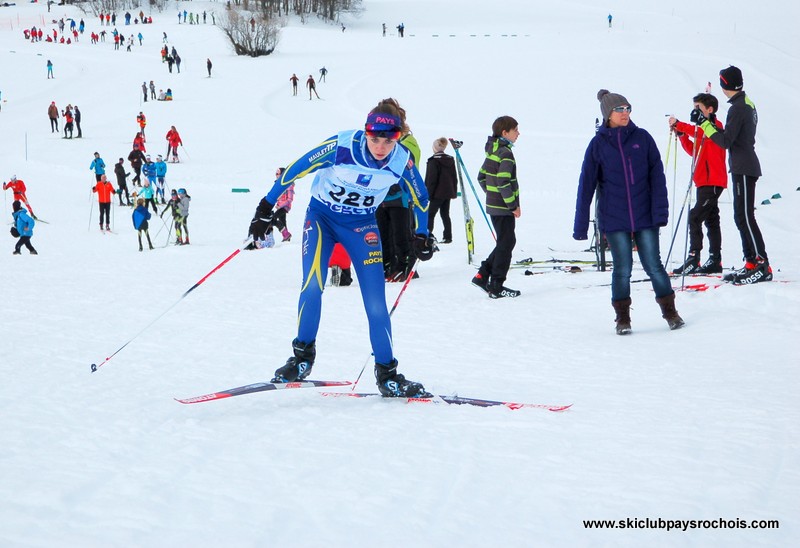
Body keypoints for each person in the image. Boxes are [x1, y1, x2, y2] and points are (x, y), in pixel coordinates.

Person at [246, 98, 435, 397]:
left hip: (361, 227)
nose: (381, 147)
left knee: (375, 303)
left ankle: (387, 374)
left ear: (397, 137)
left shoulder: (402, 159)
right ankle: (301, 358)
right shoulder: (342, 146)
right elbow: (295, 169)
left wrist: (423, 234)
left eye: (388, 140)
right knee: (312, 285)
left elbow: (421, 197)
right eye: (375, 139)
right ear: (366, 133)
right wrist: (266, 207)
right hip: (322, 219)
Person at [574, 89, 684, 335]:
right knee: (622, 269)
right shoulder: (598, 145)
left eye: (627, 108)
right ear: (608, 114)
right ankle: (622, 319)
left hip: (645, 215)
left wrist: (660, 212)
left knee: (654, 265)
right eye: (619, 109)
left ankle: (671, 313)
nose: (625, 113)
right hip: (614, 218)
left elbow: (657, 178)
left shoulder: (642, 138)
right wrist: (581, 226)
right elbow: (586, 186)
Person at [696, 66, 771, 285]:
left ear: (724, 84)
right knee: (740, 216)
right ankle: (751, 261)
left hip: (744, 166)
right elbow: (732, 136)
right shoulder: (744, 103)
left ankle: (761, 263)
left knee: (745, 216)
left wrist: (705, 125)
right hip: (742, 165)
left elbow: (726, 141)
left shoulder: (738, 107)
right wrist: (708, 123)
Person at [668, 93, 727, 275]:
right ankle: (715, 259)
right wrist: (681, 135)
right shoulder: (701, 130)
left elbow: (700, 131)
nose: (696, 113)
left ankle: (694, 257)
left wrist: (679, 125)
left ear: (709, 110)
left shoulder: (715, 128)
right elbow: (694, 150)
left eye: (698, 109)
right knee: (711, 220)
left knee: (694, 216)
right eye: (694, 109)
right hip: (703, 181)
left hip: (713, 181)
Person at [471, 116, 522, 299]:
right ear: (504, 133)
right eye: (515, 130)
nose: (518, 133)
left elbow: (481, 177)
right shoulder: (505, 153)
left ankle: (482, 275)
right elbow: (503, 182)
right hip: (502, 207)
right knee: (506, 242)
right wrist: (512, 205)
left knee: (505, 242)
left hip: (495, 206)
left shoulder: (493, 151)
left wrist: (492, 196)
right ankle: (496, 286)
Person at [424, 137, 458, 244]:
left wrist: (428, 194)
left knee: (430, 214)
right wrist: (453, 191)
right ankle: (448, 236)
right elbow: (454, 177)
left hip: (436, 193)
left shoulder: (433, 161)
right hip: (447, 192)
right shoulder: (450, 159)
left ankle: (427, 235)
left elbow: (431, 179)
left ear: (434, 148)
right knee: (445, 214)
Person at [271, 167, 294, 242]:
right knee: (282, 221)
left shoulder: (288, 185)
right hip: (279, 206)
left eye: (278, 174)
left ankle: (286, 234)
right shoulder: (278, 184)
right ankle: (287, 238)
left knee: (273, 218)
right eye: (276, 174)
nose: (276, 175)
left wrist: (280, 205)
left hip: (285, 207)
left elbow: (289, 199)